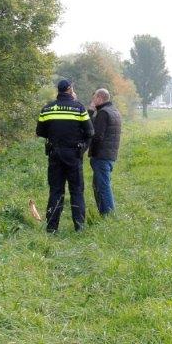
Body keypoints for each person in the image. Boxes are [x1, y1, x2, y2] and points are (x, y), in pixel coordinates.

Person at [36, 80, 94, 232]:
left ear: (59, 90)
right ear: (70, 89)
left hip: (55, 154)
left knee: (55, 190)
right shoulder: (79, 108)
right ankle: (79, 227)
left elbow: (40, 132)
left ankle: (52, 228)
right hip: (74, 155)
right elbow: (90, 132)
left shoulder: (47, 108)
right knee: (76, 190)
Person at [87, 88, 121, 216]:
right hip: (109, 155)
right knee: (98, 185)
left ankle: (109, 215)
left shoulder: (103, 113)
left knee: (103, 186)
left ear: (99, 98)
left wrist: (90, 111)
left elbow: (95, 133)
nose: (92, 100)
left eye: (94, 98)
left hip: (101, 156)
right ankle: (104, 214)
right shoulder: (114, 111)